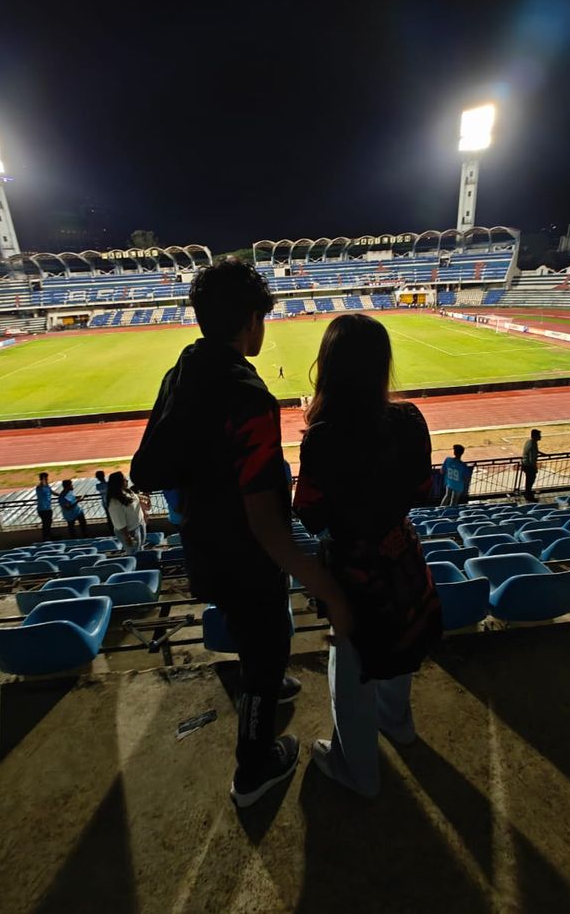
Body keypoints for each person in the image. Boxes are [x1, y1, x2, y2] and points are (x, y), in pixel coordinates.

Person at [130, 258, 350, 808]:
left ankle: (267, 684)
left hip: (201, 545)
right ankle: (253, 771)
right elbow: (259, 508)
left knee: (252, 640)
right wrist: (310, 573)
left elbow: (144, 471)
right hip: (247, 553)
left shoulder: (182, 368)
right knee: (266, 649)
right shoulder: (248, 395)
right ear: (252, 320)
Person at [293, 314, 442, 798]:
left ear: (329, 367)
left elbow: (310, 515)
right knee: (402, 643)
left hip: (353, 572)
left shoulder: (322, 438)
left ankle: (358, 770)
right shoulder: (410, 418)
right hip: (402, 557)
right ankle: (398, 725)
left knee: (352, 672)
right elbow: (425, 490)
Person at [107, 471, 147, 553]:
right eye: (125, 480)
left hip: (139, 524)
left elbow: (134, 497)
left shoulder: (126, 491)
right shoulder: (115, 503)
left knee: (140, 547)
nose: (127, 481)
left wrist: (144, 498)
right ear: (119, 483)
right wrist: (127, 537)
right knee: (134, 551)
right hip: (130, 531)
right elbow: (120, 523)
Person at [521, 429, 543, 502]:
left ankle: (528, 494)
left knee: (529, 481)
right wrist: (534, 467)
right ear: (535, 436)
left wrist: (541, 453)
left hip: (525, 464)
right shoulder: (533, 444)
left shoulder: (529, 442)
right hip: (529, 466)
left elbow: (533, 451)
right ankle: (529, 496)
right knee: (530, 480)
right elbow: (532, 458)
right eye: (539, 435)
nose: (540, 436)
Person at [35, 472, 54, 540]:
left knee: (48, 523)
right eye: (45, 478)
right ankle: (46, 537)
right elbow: (42, 484)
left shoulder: (47, 486)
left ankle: (48, 536)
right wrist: (43, 479)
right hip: (43, 509)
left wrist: (62, 495)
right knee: (46, 524)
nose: (46, 479)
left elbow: (52, 492)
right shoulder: (39, 487)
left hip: (48, 508)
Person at [95, 470, 114, 534]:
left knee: (109, 518)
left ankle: (112, 531)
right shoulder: (109, 484)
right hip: (112, 503)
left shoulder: (98, 486)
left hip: (105, 504)